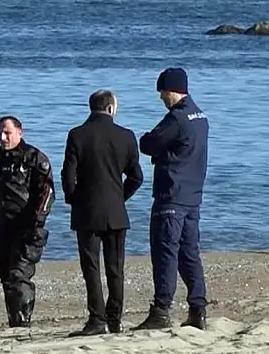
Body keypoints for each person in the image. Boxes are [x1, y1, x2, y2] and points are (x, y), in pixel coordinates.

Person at [60, 90, 143, 337]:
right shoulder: (126, 136)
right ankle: (114, 319)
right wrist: (120, 196)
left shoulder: (77, 134)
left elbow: (68, 175)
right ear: (110, 109)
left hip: (87, 211)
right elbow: (136, 177)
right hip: (115, 211)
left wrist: (73, 199)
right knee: (115, 268)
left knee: (91, 267)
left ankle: (97, 318)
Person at [133, 67, 209, 331]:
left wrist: (156, 150)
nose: (161, 98)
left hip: (172, 196)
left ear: (171, 91)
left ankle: (161, 310)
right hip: (192, 195)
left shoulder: (176, 118)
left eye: (162, 92)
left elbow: (148, 143)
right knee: (189, 253)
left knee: (165, 252)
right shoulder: (200, 116)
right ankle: (197, 309)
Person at [0, 116, 55, 328]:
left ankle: (23, 322)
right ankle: (14, 320)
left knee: (19, 275)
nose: (3, 138)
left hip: (27, 228)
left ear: (19, 132)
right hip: (1, 228)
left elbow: (47, 192)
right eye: (0, 134)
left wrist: (37, 221)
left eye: (7, 133)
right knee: (6, 277)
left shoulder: (33, 158)